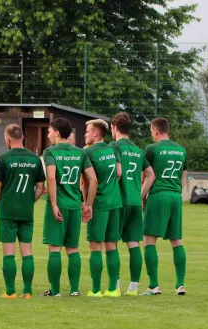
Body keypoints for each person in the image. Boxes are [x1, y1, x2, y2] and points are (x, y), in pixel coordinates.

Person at [42, 118, 97, 297]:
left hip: (59, 206)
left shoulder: (50, 152)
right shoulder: (81, 153)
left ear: (57, 132)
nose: (48, 134)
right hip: (74, 206)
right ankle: (74, 290)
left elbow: (51, 178)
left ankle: (55, 291)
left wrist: (54, 204)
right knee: (73, 249)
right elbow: (93, 180)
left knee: (55, 248)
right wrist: (87, 204)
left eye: (50, 131)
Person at [0, 124, 46, 299]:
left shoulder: (3, 158)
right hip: (26, 212)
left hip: (7, 211)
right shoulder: (35, 159)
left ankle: (10, 292)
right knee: (27, 252)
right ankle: (28, 291)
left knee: (8, 252)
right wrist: (30, 201)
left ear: (8, 139)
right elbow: (40, 187)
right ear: (22, 137)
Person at [108, 112, 156, 296]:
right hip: (135, 203)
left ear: (114, 127)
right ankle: (134, 288)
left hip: (118, 202)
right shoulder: (137, 149)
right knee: (133, 244)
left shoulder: (114, 146)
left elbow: (117, 172)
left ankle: (115, 287)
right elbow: (151, 175)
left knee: (111, 244)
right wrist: (139, 195)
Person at [141, 117, 188, 296]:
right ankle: (180, 284)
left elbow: (147, 176)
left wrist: (141, 198)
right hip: (175, 196)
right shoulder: (181, 150)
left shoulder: (152, 149)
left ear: (155, 131)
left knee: (149, 239)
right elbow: (184, 179)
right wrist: (174, 191)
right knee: (176, 240)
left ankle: (153, 286)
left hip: (158, 195)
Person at [83, 119, 123, 297]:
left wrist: (87, 204)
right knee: (111, 246)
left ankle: (96, 289)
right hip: (115, 201)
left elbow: (88, 181)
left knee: (95, 246)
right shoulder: (112, 149)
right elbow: (119, 173)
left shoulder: (88, 153)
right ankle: (114, 289)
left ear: (95, 134)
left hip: (99, 203)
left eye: (87, 131)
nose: (85, 134)